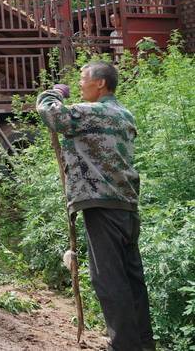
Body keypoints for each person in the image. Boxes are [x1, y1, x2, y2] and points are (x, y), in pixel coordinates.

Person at [36, 62, 154, 351]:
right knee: (131, 279)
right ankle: (143, 345)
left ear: (100, 83)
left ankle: (124, 346)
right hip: (126, 206)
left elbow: (51, 115)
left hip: (101, 206)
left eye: (82, 79)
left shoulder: (91, 112)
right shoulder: (124, 115)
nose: (79, 84)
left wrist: (53, 93)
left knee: (109, 282)